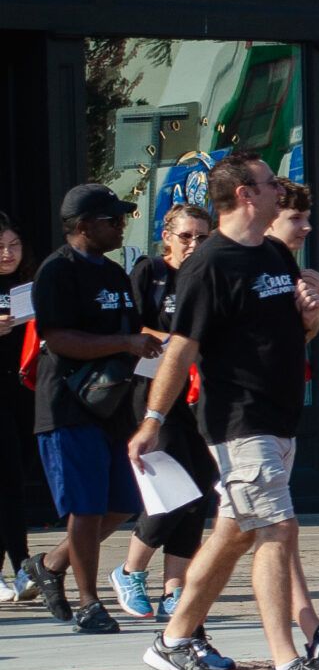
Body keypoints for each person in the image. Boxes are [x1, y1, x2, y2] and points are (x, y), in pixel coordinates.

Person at [129, 154, 319, 670]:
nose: (281, 191)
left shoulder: (274, 254)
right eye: (270, 184)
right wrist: (153, 419)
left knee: (234, 534)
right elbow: (181, 349)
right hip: (237, 421)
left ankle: (174, 638)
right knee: (277, 530)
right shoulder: (209, 264)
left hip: (279, 419)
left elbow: (295, 338)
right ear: (247, 195)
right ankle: (285, 666)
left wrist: (315, 313)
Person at [25, 185, 159, 633]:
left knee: (123, 502)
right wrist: (123, 342)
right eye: (112, 219)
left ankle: (51, 564)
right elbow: (58, 338)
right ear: (83, 226)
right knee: (84, 507)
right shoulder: (56, 273)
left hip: (112, 404)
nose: (121, 225)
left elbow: (129, 329)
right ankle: (88, 603)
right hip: (68, 405)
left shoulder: (116, 274)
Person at [114, 204, 218, 621]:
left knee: (199, 492)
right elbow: (130, 328)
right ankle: (129, 570)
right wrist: (179, 343)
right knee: (173, 489)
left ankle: (174, 588)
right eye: (186, 235)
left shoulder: (209, 276)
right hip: (156, 392)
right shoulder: (150, 273)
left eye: (202, 237)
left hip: (201, 395)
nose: (194, 244)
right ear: (167, 237)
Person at [0, 213, 37, 605]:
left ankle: (20, 569)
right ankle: (25, 566)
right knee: (8, 482)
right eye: (0, 247)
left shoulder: (27, 286)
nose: (8, 254)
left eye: (14, 245)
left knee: (15, 480)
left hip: (23, 390)